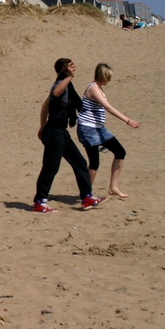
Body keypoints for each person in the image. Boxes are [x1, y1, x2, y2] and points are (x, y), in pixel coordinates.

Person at [33, 58, 105, 213]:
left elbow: (45, 105)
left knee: (79, 162)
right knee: (51, 168)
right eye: (70, 66)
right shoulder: (60, 84)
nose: (74, 67)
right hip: (54, 132)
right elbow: (55, 93)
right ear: (63, 69)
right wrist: (43, 127)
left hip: (61, 132)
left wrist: (41, 126)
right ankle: (40, 201)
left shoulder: (67, 85)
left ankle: (87, 197)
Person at [77, 63, 140, 198]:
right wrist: (128, 120)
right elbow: (108, 108)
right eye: (108, 77)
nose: (110, 80)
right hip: (88, 129)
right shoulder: (93, 88)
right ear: (102, 76)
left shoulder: (99, 88)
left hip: (99, 128)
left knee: (120, 152)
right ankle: (86, 195)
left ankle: (113, 187)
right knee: (94, 162)